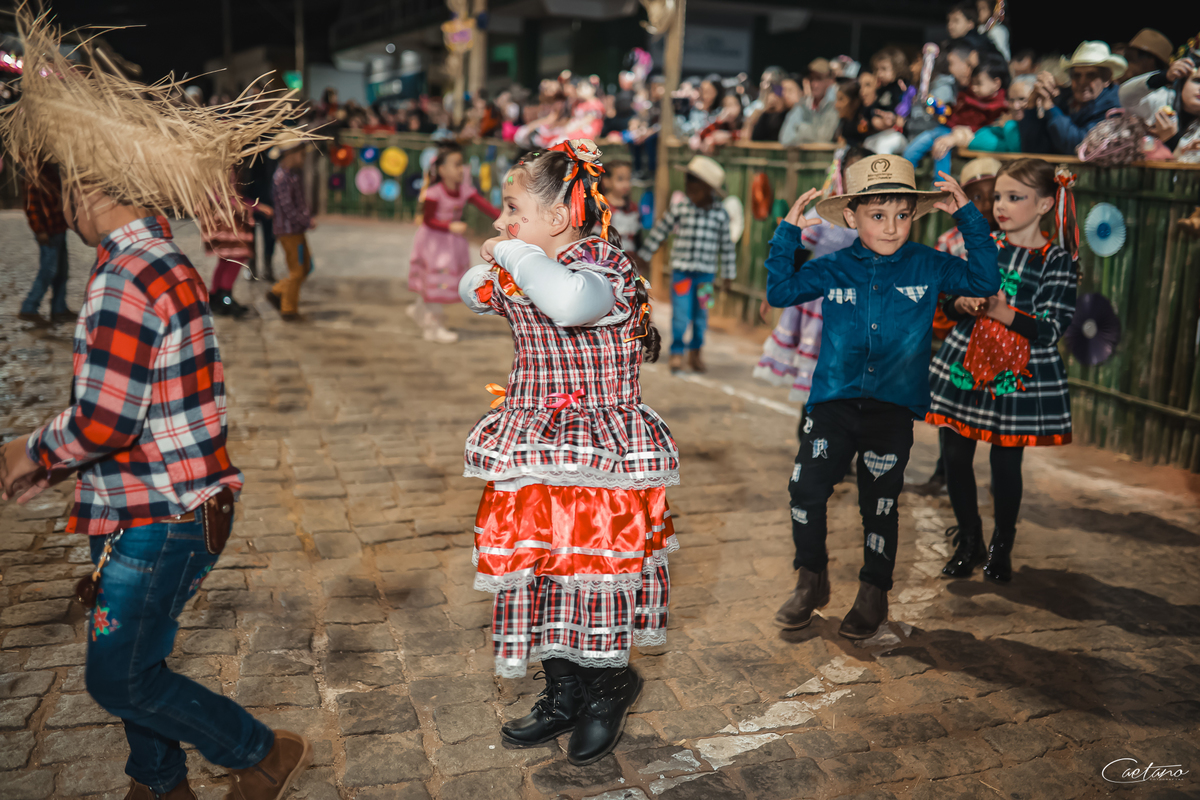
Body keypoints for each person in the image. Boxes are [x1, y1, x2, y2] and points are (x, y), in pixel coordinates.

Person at [0, 9, 313, 799]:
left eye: (67, 183)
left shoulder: (124, 275)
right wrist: (57, 469)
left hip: (161, 514)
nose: (63, 199)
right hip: (154, 503)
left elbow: (106, 420)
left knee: (121, 677)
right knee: (138, 658)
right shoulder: (161, 260)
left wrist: (26, 452)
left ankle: (259, 752)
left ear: (90, 187)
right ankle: (158, 780)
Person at [457, 139, 678, 767]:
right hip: (533, 449)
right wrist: (502, 258)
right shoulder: (529, 269)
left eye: (513, 208)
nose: (500, 221)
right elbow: (468, 287)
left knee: (596, 574)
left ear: (558, 218)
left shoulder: (602, 269)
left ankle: (609, 685)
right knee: (543, 570)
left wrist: (509, 251)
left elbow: (569, 302)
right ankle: (565, 689)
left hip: (599, 458)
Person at [764, 155, 1000, 639]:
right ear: (851, 217)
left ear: (914, 216)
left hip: (892, 409)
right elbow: (781, 290)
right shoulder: (833, 268)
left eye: (902, 215)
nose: (891, 227)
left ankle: (874, 590)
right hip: (832, 404)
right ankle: (811, 578)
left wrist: (968, 218)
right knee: (805, 490)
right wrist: (787, 234)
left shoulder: (929, 264)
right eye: (877, 215)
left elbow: (984, 281)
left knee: (881, 503)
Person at [928, 158, 1078, 583]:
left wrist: (1000, 311)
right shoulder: (983, 244)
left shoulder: (1057, 260)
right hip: (967, 362)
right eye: (998, 197)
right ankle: (969, 539)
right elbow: (948, 301)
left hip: (1018, 375)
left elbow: (1050, 329)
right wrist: (963, 303)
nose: (1000, 206)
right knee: (955, 455)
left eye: (1015, 197)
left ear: (1045, 204)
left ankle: (1001, 546)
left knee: (1006, 464)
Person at [753, 146, 868, 418]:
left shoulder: (876, 218)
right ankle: (810, 427)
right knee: (817, 370)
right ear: (840, 173)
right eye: (852, 171)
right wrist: (773, 293)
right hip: (818, 306)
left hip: (858, 308)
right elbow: (798, 253)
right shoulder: (823, 213)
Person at [914, 156, 1001, 495]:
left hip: (1001, 344)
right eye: (976, 196)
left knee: (1000, 411)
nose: (986, 204)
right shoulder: (949, 241)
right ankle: (944, 471)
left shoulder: (1013, 242)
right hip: (959, 339)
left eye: (994, 195)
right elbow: (940, 295)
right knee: (951, 409)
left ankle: (1001, 478)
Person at [638, 155, 736, 374]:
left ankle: (696, 351)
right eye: (688, 180)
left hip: (706, 277)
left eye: (695, 181)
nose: (689, 185)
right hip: (681, 273)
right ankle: (677, 351)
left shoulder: (720, 214)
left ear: (709, 188)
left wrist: (729, 274)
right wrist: (644, 255)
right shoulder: (680, 207)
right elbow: (661, 231)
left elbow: (727, 247)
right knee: (680, 314)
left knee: (702, 315)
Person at [406, 142, 501, 343]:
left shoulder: (464, 190)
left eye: (462, 164)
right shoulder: (434, 193)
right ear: (442, 170)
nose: (461, 169)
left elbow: (485, 206)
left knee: (435, 283)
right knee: (436, 282)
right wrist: (450, 226)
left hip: (451, 244)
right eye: (456, 164)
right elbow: (428, 220)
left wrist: (505, 218)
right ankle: (433, 327)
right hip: (433, 244)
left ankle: (419, 310)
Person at [903, 53, 1008, 184]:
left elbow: (982, 129)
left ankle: (941, 187)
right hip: (944, 128)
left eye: (979, 83)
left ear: (996, 83)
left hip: (954, 134)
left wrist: (956, 136)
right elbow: (953, 114)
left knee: (941, 148)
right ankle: (904, 180)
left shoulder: (999, 107)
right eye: (973, 83)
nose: (974, 87)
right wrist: (941, 111)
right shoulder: (967, 95)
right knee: (911, 151)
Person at [1019, 41, 1126, 155]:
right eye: (1077, 75)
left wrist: (1050, 108)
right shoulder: (1066, 99)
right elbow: (1033, 147)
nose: (1082, 82)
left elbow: (1081, 146)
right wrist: (1031, 104)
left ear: (1106, 79)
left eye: (1091, 75)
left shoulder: (1114, 108)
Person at [266, 132, 316, 321]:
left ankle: (278, 291)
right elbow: (289, 208)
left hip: (296, 231)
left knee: (306, 266)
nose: (303, 158)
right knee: (297, 270)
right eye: (301, 154)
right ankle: (288, 309)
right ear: (291, 154)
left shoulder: (293, 175)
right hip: (288, 232)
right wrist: (306, 221)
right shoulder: (282, 178)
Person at [17, 161, 73, 325]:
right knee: (48, 271)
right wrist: (39, 230)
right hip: (48, 231)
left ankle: (59, 308)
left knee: (62, 271)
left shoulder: (50, 170)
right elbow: (31, 205)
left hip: (58, 227)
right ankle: (29, 307)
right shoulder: (33, 173)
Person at [780, 58, 841, 145]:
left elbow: (824, 137)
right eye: (811, 79)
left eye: (818, 79)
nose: (813, 84)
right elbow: (785, 139)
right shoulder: (802, 104)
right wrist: (815, 133)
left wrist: (800, 127)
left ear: (831, 80)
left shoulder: (836, 105)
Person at [969, 73, 1034, 152]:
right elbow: (975, 142)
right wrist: (1007, 146)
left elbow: (1015, 149)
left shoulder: (1038, 124)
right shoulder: (1010, 121)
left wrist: (1008, 124)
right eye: (1011, 100)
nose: (1015, 106)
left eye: (1022, 99)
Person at [864, 47, 911, 153]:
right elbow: (871, 112)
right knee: (867, 143)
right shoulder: (882, 89)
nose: (879, 74)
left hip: (901, 135)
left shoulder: (902, 87)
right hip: (886, 132)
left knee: (883, 145)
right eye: (877, 69)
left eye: (884, 69)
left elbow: (905, 112)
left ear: (897, 68)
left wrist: (894, 118)